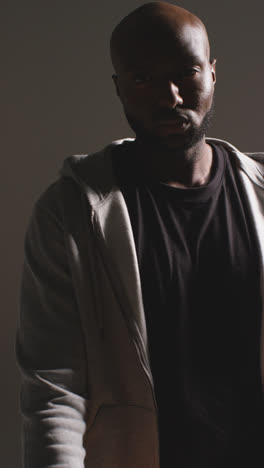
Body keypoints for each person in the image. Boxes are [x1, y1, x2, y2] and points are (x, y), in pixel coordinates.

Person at [16, 2, 264, 467]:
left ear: (212, 73)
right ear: (119, 88)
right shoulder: (70, 213)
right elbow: (54, 385)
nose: (168, 96)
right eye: (142, 79)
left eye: (186, 72)